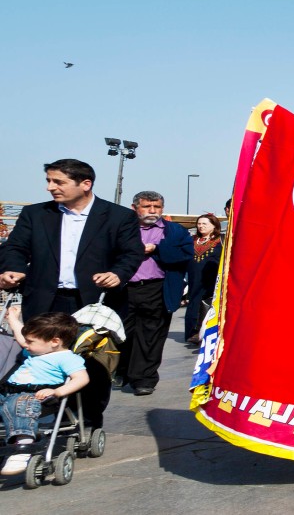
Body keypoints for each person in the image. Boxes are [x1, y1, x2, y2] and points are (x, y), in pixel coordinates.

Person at [0, 159, 146, 429]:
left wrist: (118, 273)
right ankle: (34, 420)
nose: (50, 188)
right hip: (45, 300)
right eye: (48, 181)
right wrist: (12, 269)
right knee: (38, 361)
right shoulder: (36, 214)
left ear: (85, 184)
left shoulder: (117, 216)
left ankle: (88, 422)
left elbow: (131, 253)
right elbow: (15, 248)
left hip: (94, 303)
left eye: (58, 182)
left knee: (93, 366)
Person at [111, 191, 194, 395]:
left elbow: (185, 254)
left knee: (151, 336)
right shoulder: (121, 229)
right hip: (123, 290)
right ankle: (122, 371)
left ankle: (144, 379)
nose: (152, 211)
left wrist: (157, 248)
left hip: (157, 288)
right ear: (134, 208)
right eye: (147, 206)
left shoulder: (173, 231)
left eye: (156, 207)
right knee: (122, 334)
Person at [0, 309, 90, 476]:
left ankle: (22, 448)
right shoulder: (36, 350)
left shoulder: (66, 358)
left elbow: (81, 378)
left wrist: (57, 391)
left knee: (20, 404)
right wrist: (12, 318)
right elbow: (22, 336)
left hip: (38, 398)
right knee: (14, 402)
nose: (25, 345)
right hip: (8, 392)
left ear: (54, 341)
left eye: (30, 342)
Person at [184, 212, 223, 344]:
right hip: (194, 279)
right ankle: (192, 332)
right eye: (199, 224)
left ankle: (207, 332)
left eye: (204, 224)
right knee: (193, 304)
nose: (201, 226)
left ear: (213, 226)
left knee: (208, 305)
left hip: (212, 281)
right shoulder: (191, 240)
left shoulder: (220, 241)